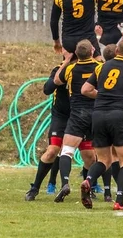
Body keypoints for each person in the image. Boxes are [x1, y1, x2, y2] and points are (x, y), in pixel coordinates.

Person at [79, 40, 123, 211]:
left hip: (99, 114)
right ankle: (120, 201)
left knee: (103, 159)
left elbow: (85, 90)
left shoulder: (101, 67)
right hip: (120, 115)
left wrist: (102, 96)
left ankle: (88, 180)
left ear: (116, 50)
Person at [52, 40, 100, 202]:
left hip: (78, 114)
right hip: (95, 114)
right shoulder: (99, 67)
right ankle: (89, 186)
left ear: (77, 54)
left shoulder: (72, 68)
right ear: (92, 52)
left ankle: (65, 183)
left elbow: (57, 80)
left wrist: (66, 61)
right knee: (92, 157)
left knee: (66, 151)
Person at [25, 62, 71, 201]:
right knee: (52, 151)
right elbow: (47, 89)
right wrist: (65, 65)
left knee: (90, 156)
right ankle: (35, 188)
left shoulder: (88, 68)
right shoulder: (59, 69)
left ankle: (92, 187)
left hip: (79, 116)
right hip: (61, 117)